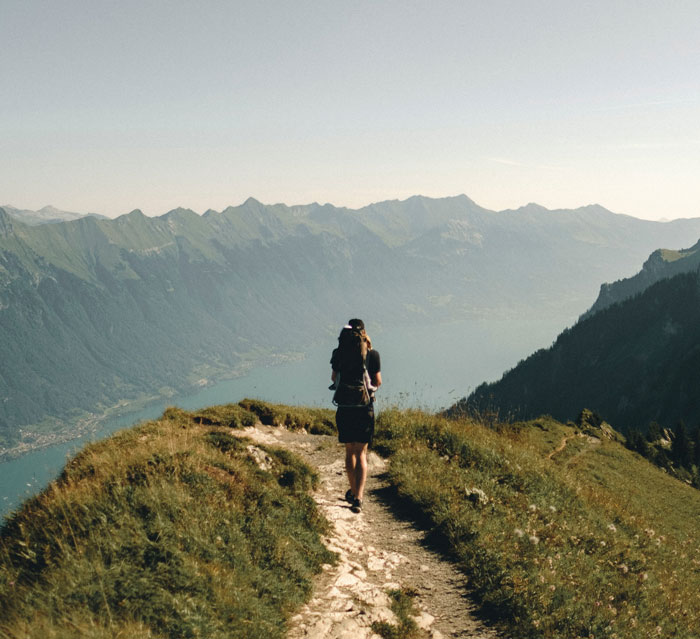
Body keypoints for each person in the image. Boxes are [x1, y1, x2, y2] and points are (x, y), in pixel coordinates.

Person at [330, 318, 381, 513]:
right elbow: (377, 382)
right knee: (361, 453)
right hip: (364, 408)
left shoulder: (338, 353)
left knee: (349, 451)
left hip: (344, 407)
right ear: (364, 333)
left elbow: (334, 378)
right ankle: (358, 497)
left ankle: (352, 491)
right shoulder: (372, 354)